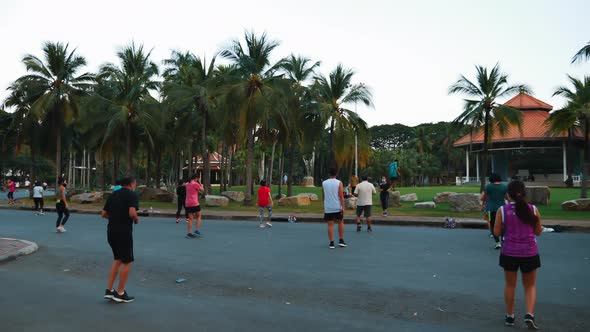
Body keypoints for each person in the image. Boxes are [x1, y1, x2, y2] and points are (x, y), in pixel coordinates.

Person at [494, 180, 542, 329]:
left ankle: (510, 316)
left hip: (509, 252)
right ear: (524, 193)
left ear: (508, 194)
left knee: (510, 285)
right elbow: (538, 232)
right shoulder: (533, 210)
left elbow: (496, 232)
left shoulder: (502, 210)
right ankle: (529, 314)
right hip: (529, 252)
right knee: (530, 286)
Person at [101, 176, 139, 303]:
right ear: (132, 184)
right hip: (124, 232)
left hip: (111, 231)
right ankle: (120, 292)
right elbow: (132, 213)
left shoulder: (113, 195)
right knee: (127, 261)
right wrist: (136, 219)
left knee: (117, 259)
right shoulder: (132, 195)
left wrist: (115, 218)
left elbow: (104, 214)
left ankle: (109, 290)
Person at [481, 173, 508, 249]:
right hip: (502, 209)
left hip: (491, 209)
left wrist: (484, 202)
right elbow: (507, 197)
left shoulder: (489, 187)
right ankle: (503, 240)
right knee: (503, 225)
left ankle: (497, 242)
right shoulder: (504, 186)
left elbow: (483, 197)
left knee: (492, 225)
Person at [322, 168, 347, 249]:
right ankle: (341, 240)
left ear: (329, 174)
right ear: (336, 174)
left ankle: (331, 242)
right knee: (340, 222)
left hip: (328, 207)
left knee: (330, 224)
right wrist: (343, 207)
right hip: (337, 207)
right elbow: (341, 196)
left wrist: (325, 204)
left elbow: (323, 196)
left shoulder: (324, 183)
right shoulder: (339, 183)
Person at [185, 174, 205, 238]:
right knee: (199, 216)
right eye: (198, 179)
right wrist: (200, 182)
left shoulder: (187, 184)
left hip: (188, 203)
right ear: (196, 178)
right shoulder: (195, 184)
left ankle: (189, 233)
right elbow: (202, 190)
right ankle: (196, 230)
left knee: (190, 219)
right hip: (194, 203)